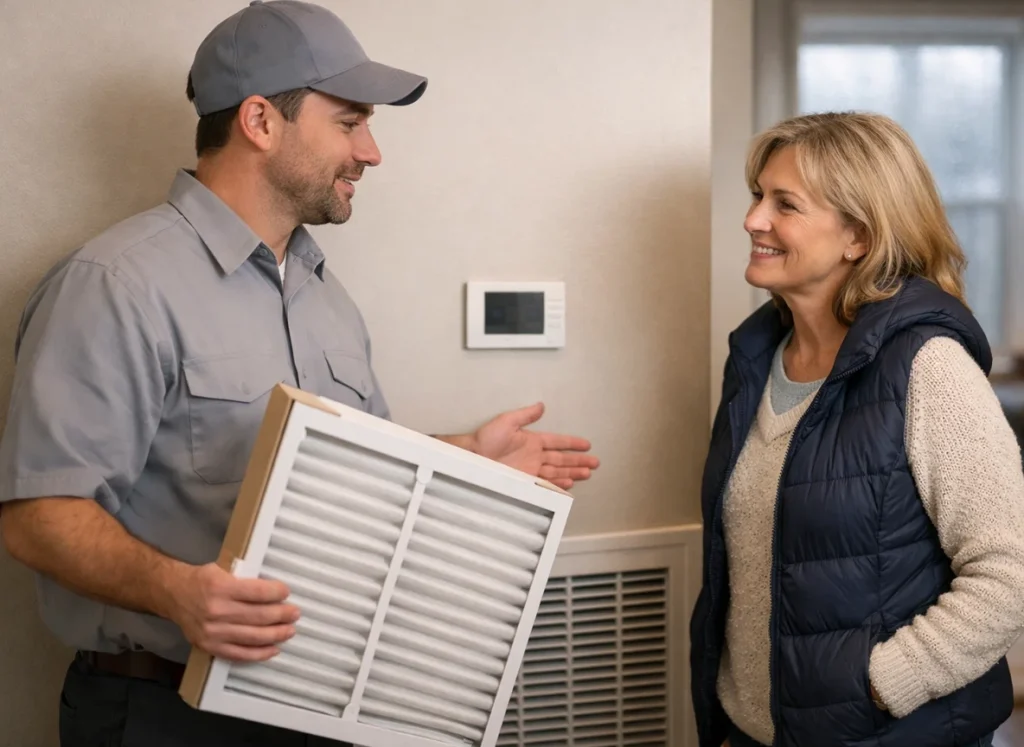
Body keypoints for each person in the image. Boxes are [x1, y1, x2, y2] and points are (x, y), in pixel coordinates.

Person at [0, 2, 600, 745]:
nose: (371, 152)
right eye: (350, 123)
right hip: (162, 712)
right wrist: (176, 591)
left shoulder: (327, 299)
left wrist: (464, 455)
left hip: (311, 705)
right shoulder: (116, 285)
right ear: (260, 121)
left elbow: (341, 478)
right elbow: (38, 516)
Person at [690, 111, 1024, 747]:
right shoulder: (755, 360)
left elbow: (1010, 575)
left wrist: (877, 686)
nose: (753, 219)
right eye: (758, 196)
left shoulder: (930, 368)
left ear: (859, 238)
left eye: (785, 204)